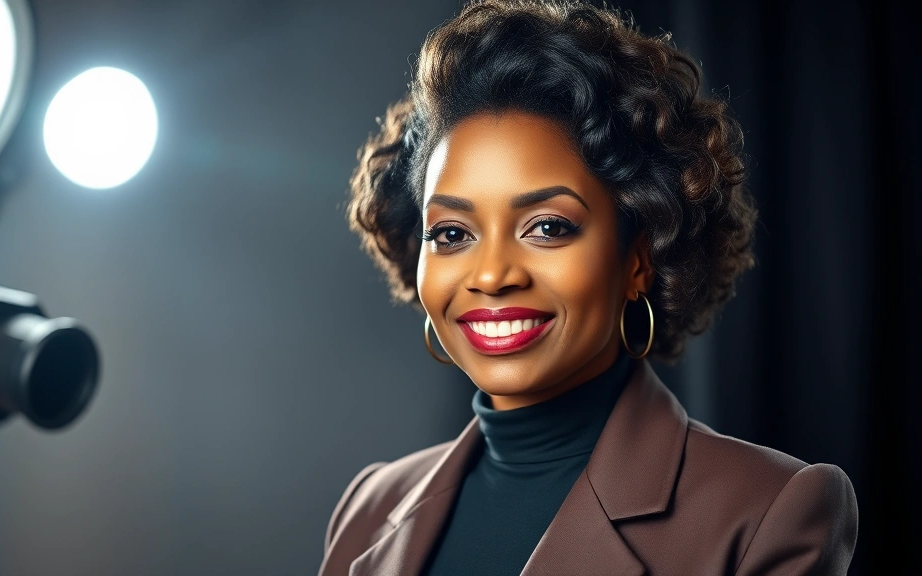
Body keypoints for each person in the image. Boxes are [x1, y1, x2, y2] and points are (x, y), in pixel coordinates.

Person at [318, 1, 858, 574]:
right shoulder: (370, 508)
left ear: (639, 260)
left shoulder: (768, 511)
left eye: (548, 227)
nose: (492, 275)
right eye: (451, 233)